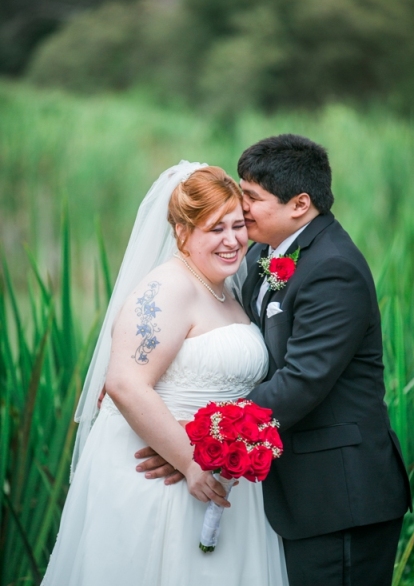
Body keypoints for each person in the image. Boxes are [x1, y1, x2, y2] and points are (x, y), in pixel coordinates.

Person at [137, 135, 411, 586]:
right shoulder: (266, 252)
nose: (240, 207)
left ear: (300, 204)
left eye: (252, 197)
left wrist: (201, 442)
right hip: (293, 490)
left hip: (338, 496)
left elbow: (300, 382)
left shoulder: (334, 269)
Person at [41, 162, 288, 586]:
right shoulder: (166, 288)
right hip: (165, 481)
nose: (232, 241)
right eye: (215, 229)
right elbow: (123, 383)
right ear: (181, 231)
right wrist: (191, 461)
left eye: (237, 225)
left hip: (227, 476)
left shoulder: (226, 288)